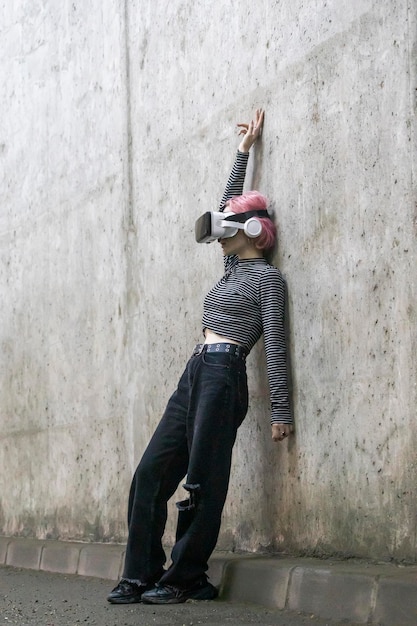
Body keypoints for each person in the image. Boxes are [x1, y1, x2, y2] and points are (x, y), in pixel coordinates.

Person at [107, 108, 292, 606]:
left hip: (225, 373)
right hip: (195, 370)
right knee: (151, 473)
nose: (221, 230)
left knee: (202, 481)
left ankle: (186, 577)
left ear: (254, 231)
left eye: (234, 224)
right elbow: (223, 206)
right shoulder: (230, 266)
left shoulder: (267, 281)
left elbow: (274, 342)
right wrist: (243, 151)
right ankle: (140, 573)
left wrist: (280, 411)